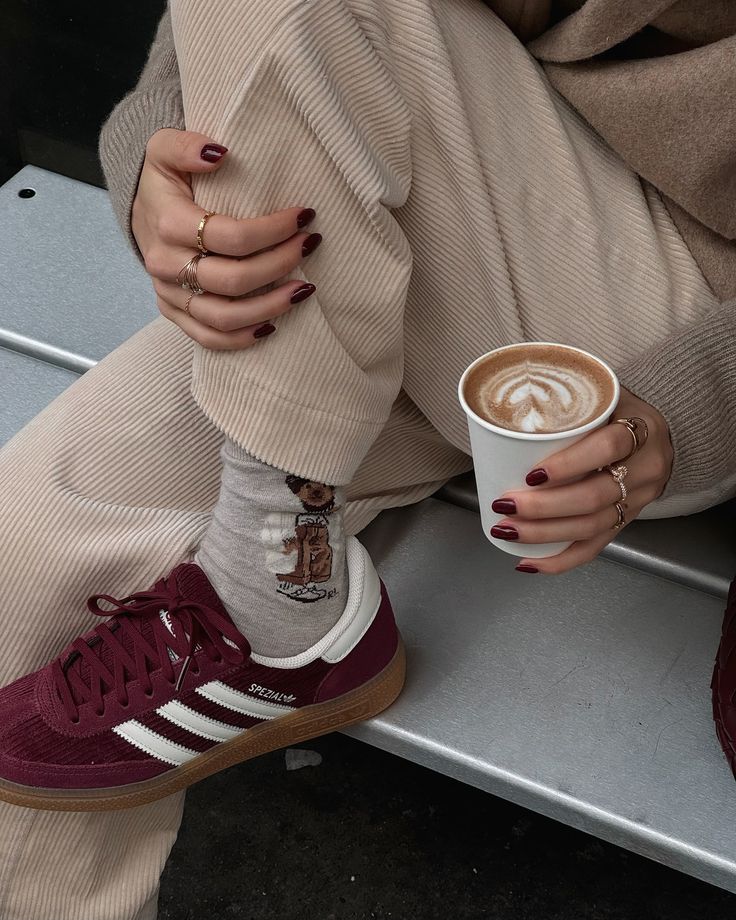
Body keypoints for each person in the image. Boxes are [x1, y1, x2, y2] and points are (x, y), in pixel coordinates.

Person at [0, 0, 735, 916]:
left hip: (660, 336)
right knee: (24, 558)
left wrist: (703, 399)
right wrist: (158, 159)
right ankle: (281, 550)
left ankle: (279, 563)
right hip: (374, 229)